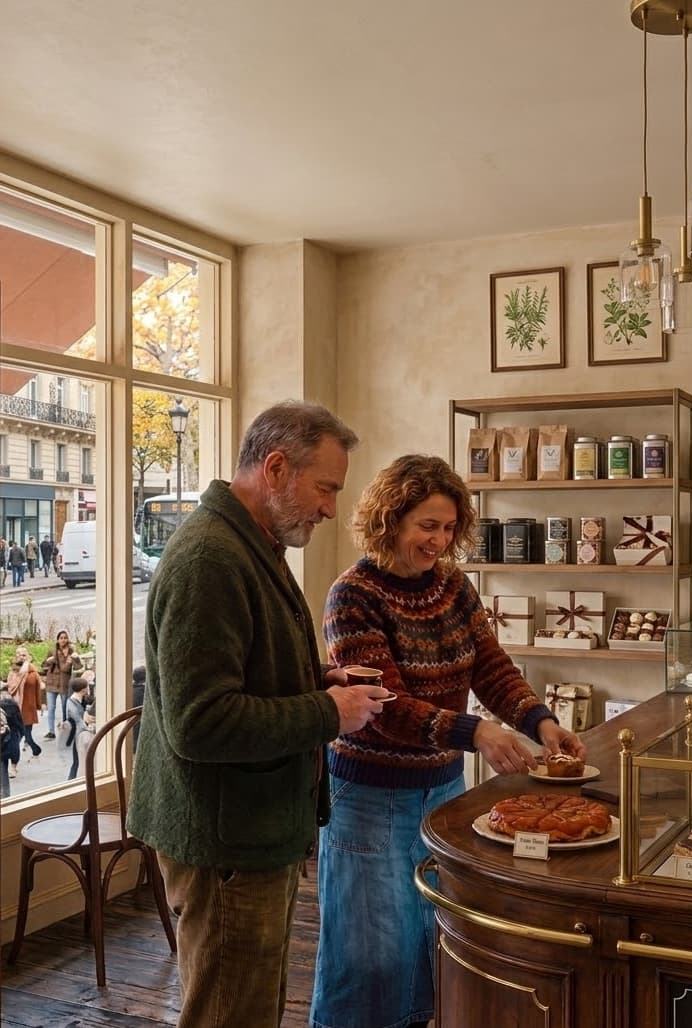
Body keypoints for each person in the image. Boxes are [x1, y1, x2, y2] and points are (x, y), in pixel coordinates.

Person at [127, 401, 386, 1028]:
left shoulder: (251, 545)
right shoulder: (210, 559)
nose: (330, 509)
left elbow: (240, 674)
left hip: (247, 834)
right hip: (226, 842)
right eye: (325, 488)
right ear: (275, 469)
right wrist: (326, 711)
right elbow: (200, 722)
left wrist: (314, 680)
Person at [310, 454, 586, 1028]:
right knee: (369, 954)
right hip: (369, 798)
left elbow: (491, 666)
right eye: (427, 525)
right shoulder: (352, 595)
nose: (438, 540)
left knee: (428, 940)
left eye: (448, 527)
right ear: (389, 520)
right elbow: (381, 706)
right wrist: (474, 731)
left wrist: (540, 721)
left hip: (442, 792)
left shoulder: (455, 586)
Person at [41, 630, 83, 740]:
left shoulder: (71, 651)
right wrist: (49, 661)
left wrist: (76, 658)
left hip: (64, 684)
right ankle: (51, 731)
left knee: (65, 708)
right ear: (58, 640)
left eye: (65, 637)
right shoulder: (52, 651)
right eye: (61, 638)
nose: (63, 640)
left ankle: (65, 729)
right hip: (52, 682)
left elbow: (78, 667)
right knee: (51, 708)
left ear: (67, 639)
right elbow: (43, 666)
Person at [6, 647, 42, 758]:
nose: (22, 657)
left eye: (24, 655)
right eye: (19, 654)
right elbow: (10, 688)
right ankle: (30, 751)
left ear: (28, 656)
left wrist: (40, 704)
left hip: (28, 707)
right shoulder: (13, 672)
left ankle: (34, 749)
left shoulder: (32, 672)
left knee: (27, 734)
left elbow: (38, 689)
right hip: (15, 707)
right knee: (17, 734)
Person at [0, 685, 25, 797]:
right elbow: (21, 726)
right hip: (11, 741)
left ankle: (5, 796)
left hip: (3, 744)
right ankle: (6, 797)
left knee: (2, 771)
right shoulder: (13, 705)